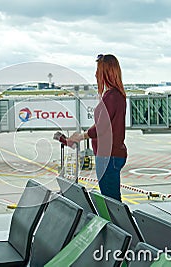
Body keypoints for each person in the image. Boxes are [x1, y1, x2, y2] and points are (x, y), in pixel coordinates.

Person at [68, 54, 127, 202]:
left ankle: (118, 225)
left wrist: (81, 136)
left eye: (98, 70)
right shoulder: (114, 95)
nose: (95, 74)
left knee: (111, 201)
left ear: (106, 73)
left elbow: (101, 127)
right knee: (112, 200)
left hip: (108, 156)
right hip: (111, 155)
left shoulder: (112, 97)